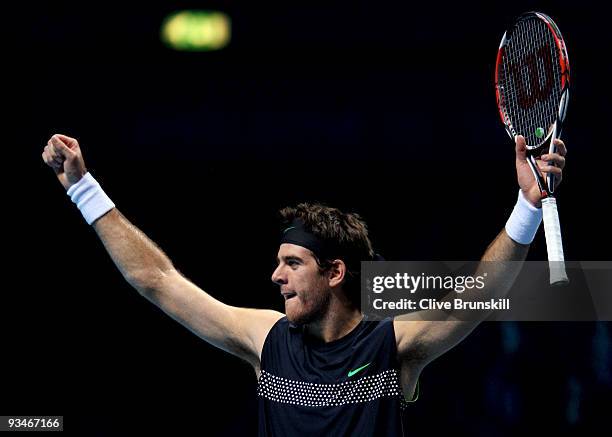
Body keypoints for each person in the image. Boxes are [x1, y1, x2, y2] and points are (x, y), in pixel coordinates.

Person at [42, 133, 566, 436]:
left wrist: (526, 208)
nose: (276, 276)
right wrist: (83, 189)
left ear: (335, 272)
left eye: (292, 263)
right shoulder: (264, 341)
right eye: (279, 263)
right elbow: (157, 280)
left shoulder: (392, 348)